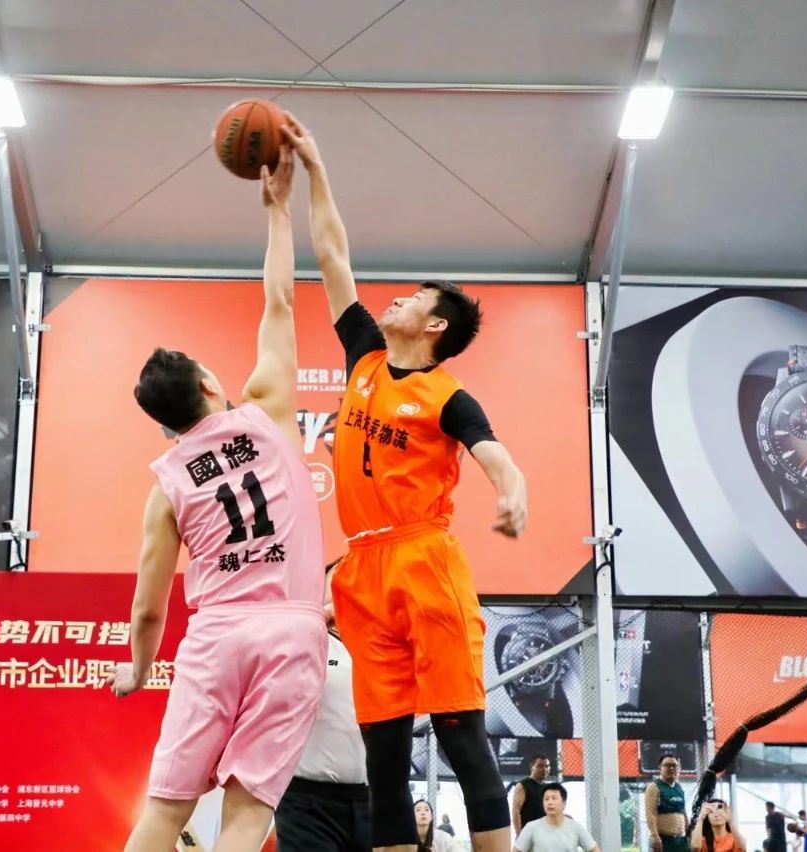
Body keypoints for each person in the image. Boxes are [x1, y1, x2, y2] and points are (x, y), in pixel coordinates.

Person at [285, 112, 528, 852]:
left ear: (436, 327)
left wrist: (512, 491)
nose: (396, 299)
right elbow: (332, 253)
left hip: (424, 557)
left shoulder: (448, 395)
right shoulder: (363, 354)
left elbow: (494, 453)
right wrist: (315, 169)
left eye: (415, 298)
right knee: (383, 755)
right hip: (361, 566)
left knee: (460, 733)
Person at [104, 147, 328, 852]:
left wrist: (140, 669)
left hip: (215, 637)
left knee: (165, 810)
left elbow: (148, 606)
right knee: (249, 812)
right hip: (291, 634)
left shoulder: (167, 483)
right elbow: (280, 301)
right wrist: (278, 211)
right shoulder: (268, 410)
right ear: (208, 386)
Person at [274, 561, 371, 852]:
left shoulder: (382, 650)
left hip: (372, 799)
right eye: (338, 580)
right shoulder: (302, 641)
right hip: (307, 802)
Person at [513, 783, 599, 852]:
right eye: (546, 799)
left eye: (554, 798)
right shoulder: (531, 827)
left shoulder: (576, 827)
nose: (550, 802)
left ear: (564, 803)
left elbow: (594, 849)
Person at [646, 754, 689, 852]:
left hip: (680, 840)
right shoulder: (654, 786)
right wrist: (655, 837)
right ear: (660, 768)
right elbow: (650, 814)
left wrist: (689, 832)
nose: (671, 768)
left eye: (674, 765)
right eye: (667, 765)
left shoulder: (679, 787)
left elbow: (683, 811)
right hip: (663, 840)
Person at [512, 754, 553, 836]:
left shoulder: (548, 788)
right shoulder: (523, 786)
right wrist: (519, 835)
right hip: (529, 835)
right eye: (540, 766)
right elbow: (516, 812)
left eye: (547, 766)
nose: (544, 769)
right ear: (531, 767)